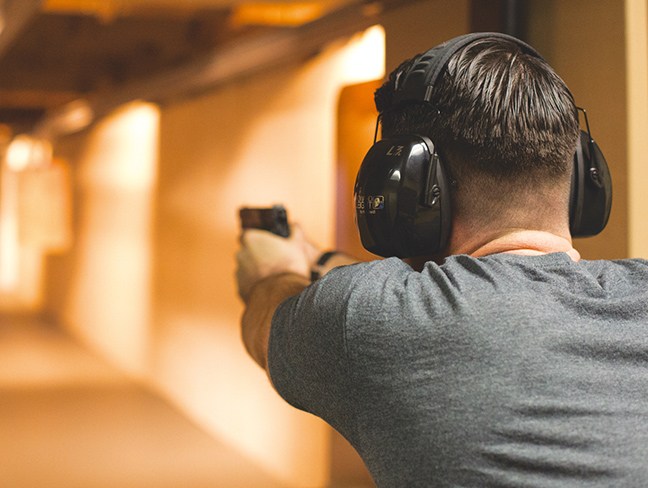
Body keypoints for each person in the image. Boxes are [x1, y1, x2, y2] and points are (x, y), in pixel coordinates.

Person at [235, 33, 648, 487]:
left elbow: (267, 325)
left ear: (406, 184)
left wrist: (273, 272)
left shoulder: (369, 322)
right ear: (582, 178)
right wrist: (325, 261)